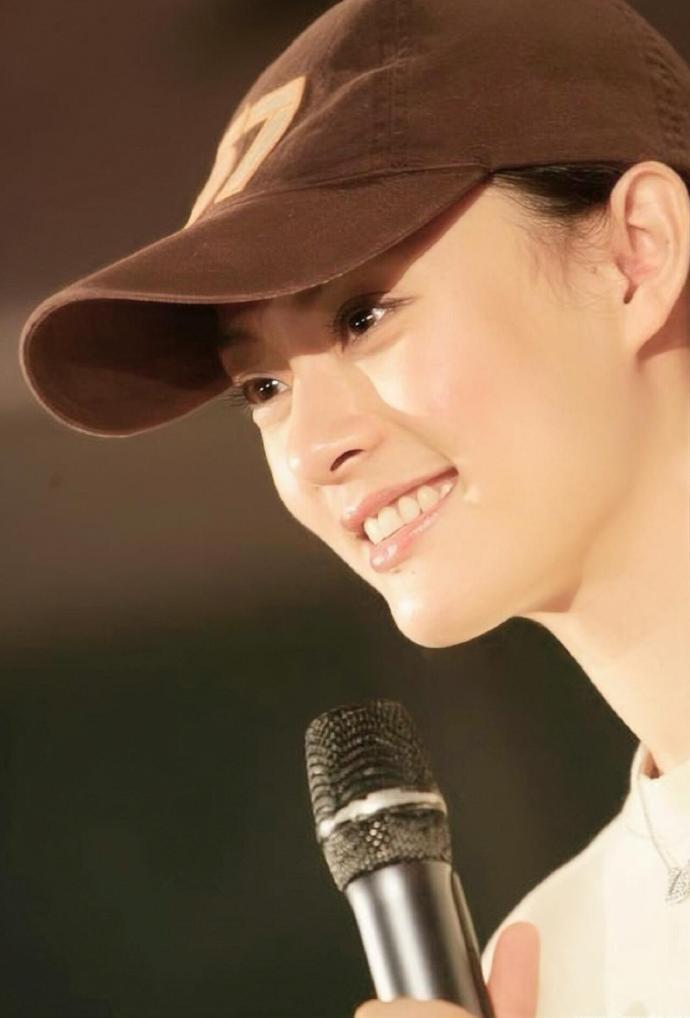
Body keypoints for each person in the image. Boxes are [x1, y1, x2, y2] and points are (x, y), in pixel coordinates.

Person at [17, 0, 690, 1015]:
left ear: (636, 251)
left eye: (365, 315)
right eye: (262, 387)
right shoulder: (549, 963)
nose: (310, 448)